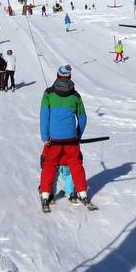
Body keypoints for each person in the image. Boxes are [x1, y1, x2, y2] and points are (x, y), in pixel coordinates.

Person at [38, 65, 93, 211]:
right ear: (69, 77)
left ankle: (45, 194)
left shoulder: (48, 94)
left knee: (49, 165)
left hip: (53, 140)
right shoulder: (76, 96)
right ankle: (82, 192)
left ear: (57, 75)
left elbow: (44, 116)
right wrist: (77, 135)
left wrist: (45, 136)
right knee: (76, 165)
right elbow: (82, 118)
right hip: (71, 139)